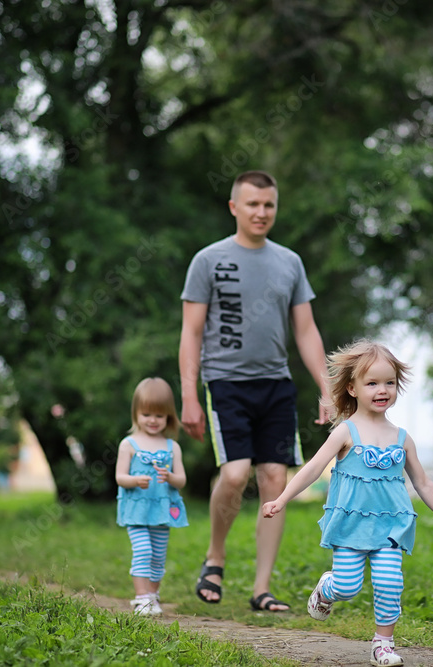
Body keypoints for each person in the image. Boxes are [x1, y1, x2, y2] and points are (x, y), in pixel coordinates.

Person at [179, 170, 330, 612]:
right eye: (252, 204)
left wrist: (326, 387)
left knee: (275, 480)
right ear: (234, 208)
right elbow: (190, 333)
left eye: (269, 205)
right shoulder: (208, 260)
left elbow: (306, 331)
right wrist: (190, 395)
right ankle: (215, 556)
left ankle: (262, 588)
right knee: (234, 473)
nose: (261, 212)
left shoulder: (289, 262)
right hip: (225, 383)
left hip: (276, 385)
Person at [262, 340, 433, 666]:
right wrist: (282, 498)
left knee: (390, 582)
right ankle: (328, 588)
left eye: (389, 382)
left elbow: (423, 482)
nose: (382, 389)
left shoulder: (402, 438)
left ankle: (383, 644)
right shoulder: (346, 432)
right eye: (372, 383)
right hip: (351, 524)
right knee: (347, 586)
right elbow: (314, 468)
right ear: (352, 389)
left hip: (391, 524)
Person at [115, 377, 189, 616]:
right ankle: (141, 598)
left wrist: (169, 476)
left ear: (169, 416)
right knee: (143, 550)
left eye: (160, 415)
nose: (153, 420)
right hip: (136, 510)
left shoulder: (171, 446)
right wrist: (135, 480)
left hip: (161, 511)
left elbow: (181, 480)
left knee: (158, 556)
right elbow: (119, 477)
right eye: (147, 414)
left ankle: (153, 595)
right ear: (136, 413)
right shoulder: (129, 444)